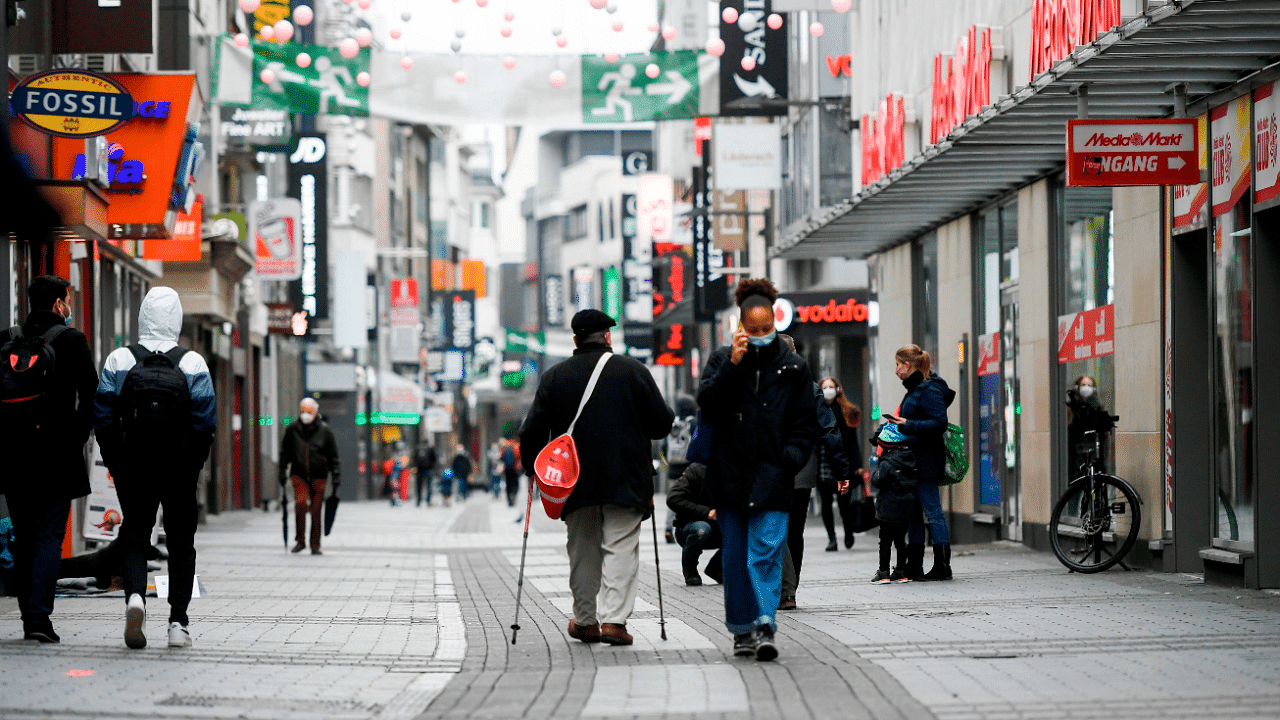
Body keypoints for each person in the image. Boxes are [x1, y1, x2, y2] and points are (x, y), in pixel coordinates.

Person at [520, 309, 674, 646]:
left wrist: (532, 467)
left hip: (573, 481)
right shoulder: (633, 371)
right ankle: (615, 623)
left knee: (582, 549)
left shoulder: (554, 377)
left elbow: (531, 432)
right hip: (627, 477)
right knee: (621, 547)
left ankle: (587, 621)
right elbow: (661, 423)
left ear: (575, 339)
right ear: (607, 337)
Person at [697, 278, 819, 661]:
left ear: (775, 321)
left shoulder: (793, 367)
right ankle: (741, 630)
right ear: (741, 325)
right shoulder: (722, 360)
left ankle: (765, 621)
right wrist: (732, 366)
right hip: (730, 476)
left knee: (765, 551)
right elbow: (708, 405)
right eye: (754, 330)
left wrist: (789, 459)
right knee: (735, 558)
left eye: (767, 329)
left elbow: (805, 423)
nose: (762, 335)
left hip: (773, 475)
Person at [94, 287, 216, 649]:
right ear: (176, 319)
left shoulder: (119, 359)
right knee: (181, 543)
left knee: (134, 534)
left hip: (134, 464)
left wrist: (116, 462)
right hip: (178, 468)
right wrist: (192, 467)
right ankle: (178, 623)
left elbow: (102, 418)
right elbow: (205, 423)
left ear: (142, 316)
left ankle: (135, 598)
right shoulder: (193, 363)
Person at [0, 276, 98, 643]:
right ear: (59, 303)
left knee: (24, 536)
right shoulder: (72, 341)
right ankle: (38, 619)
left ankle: (30, 614)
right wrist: (77, 436)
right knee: (48, 536)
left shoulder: (6, 339)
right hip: (56, 455)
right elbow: (92, 395)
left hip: (11, 455)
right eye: (68, 299)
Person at [883, 344, 956, 582]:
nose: (895, 370)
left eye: (897, 365)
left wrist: (906, 424)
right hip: (911, 462)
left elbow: (939, 423)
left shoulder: (929, 390)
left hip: (926, 461)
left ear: (908, 365)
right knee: (914, 513)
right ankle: (914, 566)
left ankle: (942, 565)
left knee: (933, 511)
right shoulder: (915, 390)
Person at [780, 373, 849, 611]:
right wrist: (842, 471)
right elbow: (830, 430)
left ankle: (785, 590)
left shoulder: (762, 381)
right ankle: (790, 591)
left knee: (777, 526)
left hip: (774, 468)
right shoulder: (810, 389)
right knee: (795, 529)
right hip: (803, 467)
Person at [277, 398, 341, 553]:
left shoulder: (325, 431)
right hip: (299, 474)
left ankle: (315, 544)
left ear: (315, 412)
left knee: (316, 509)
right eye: (303, 411)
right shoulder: (292, 430)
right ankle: (300, 541)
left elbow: (333, 455)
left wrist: (336, 476)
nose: (306, 415)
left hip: (319, 475)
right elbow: (285, 453)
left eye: (309, 412)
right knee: (300, 504)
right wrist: (282, 470)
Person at [817, 377, 864, 551]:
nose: (829, 390)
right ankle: (832, 539)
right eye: (825, 387)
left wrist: (856, 464)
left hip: (841, 465)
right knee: (826, 504)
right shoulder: (816, 410)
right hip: (823, 465)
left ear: (838, 389)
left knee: (844, 503)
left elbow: (852, 442)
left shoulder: (845, 411)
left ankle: (848, 531)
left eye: (832, 386)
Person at [869, 423, 920, 583]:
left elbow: (878, 481)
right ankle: (901, 570)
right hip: (906, 508)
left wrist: (873, 472)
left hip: (888, 509)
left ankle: (883, 571)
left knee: (885, 540)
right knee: (900, 540)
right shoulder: (911, 461)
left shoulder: (886, 464)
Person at [666, 463, 723, 586]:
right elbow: (673, 498)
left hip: (719, 528)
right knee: (701, 529)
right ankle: (690, 570)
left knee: (743, 532)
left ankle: (716, 568)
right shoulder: (696, 471)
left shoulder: (734, 472)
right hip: (688, 527)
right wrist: (707, 512)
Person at [1066, 375, 1115, 475]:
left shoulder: (1097, 407)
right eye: (1083, 385)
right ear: (1077, 387)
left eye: (1089, 385)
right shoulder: (1072, 408)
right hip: (1076, 453)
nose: (1086, 387)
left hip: (1093, 452)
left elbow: (1103, 434)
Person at [415, 442, 438, 507]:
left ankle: (419, 501)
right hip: (429, 469)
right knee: (429, 486)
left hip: (419, 470)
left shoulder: (418, 448)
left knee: (419, 486)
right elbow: (434, 459)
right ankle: (428, 501)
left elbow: (414, 458)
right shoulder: (430, 449)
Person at [501, 439, 521, 507]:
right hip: (514, 469)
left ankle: (509, 499)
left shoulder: (504, 449)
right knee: (515, 483)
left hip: (507, 469)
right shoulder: (516, 448)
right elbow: (519, 458)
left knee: (508, 484)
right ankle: (514, 495)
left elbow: (501, 458)